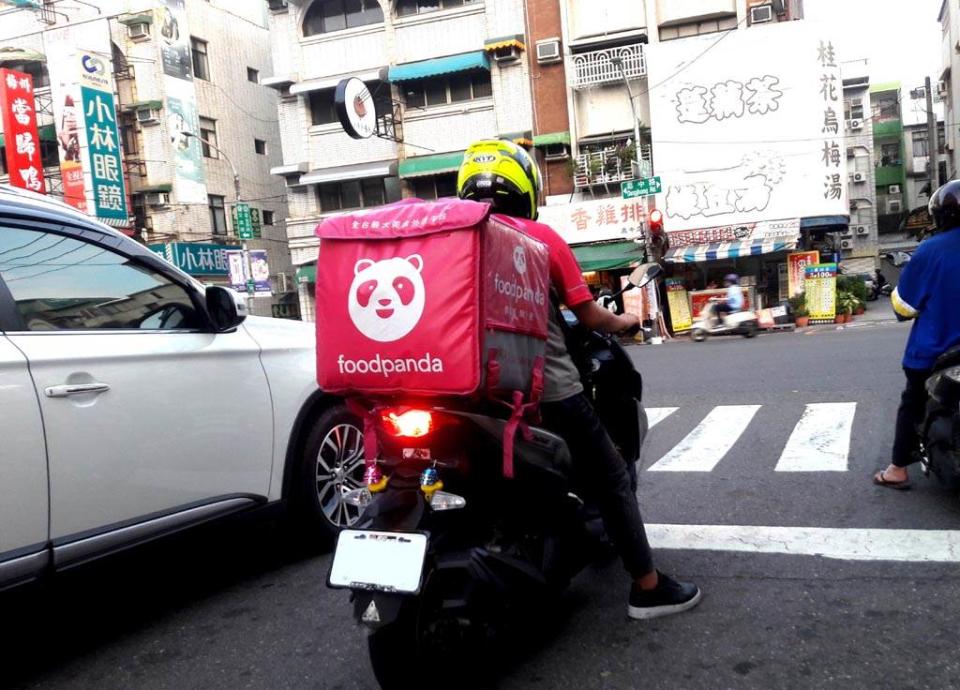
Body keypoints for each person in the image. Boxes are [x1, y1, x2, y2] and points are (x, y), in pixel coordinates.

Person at [457, 139, 701, 619]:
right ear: (524, 186)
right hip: (543, 390)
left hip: (467, 390)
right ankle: (647, 588)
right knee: (611, 477)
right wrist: (627, 322)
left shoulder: (454, 239)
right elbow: (589, 318)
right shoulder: (540, 238)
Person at [873, 180, 960, 489]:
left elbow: (903, 307)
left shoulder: (930, 250)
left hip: (934, 350)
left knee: (913, 399)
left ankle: (897, 469)